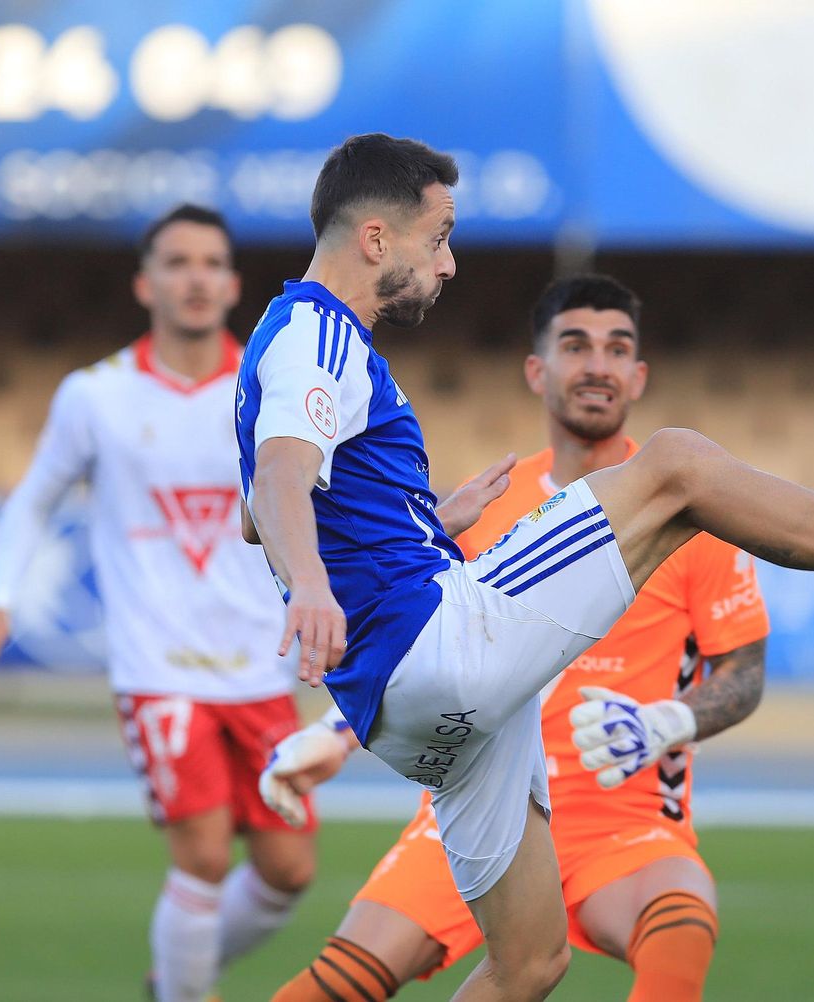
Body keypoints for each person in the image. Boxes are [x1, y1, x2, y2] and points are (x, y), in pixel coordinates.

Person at [235, 133, 814, 1001]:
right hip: (434, 647)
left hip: (409, 718)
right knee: (676, 467)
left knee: (530, 964)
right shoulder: (319, 331)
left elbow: (254, 514)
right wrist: (321, 589)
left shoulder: (273, 347)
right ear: (375, 239)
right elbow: (283, 476)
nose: (448, 265)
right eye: (439, 237)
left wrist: (416, 524)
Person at [261, 273, 771, 1002]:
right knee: (340, 983)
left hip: (618, 817)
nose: (597, 364)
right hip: (481, 788)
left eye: (617, 347)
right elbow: (424, 649)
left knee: (682, 927)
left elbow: (744, 673)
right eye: (575, 345)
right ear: (537, 370)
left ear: (638, 374)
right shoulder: (486, 503)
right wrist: (335, 734)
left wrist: (667, 722)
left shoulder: (690, 511)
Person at [0, 205, 318, 1002]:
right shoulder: (96, 396)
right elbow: (33, 499)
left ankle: (177, 978)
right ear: (145, 282)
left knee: (290, 869)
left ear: (231, 284)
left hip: (260, 667)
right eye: (177, 262)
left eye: (211, 263)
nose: (195, 277)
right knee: (204, 856)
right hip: (160, 668)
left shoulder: (270, 393)